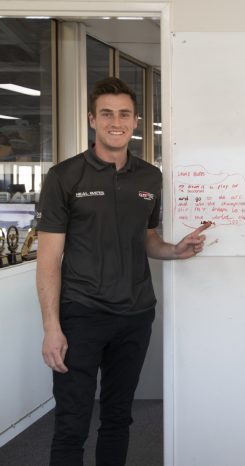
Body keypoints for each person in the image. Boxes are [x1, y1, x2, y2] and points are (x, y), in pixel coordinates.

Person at [37, 77, 211, 466]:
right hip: (81, 314)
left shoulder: (151, 177)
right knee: (72, 422)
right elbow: (48, 259)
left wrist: (174, 250)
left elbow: (147, 238)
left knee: (118, 418)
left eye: (124, 114)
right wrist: (52, 327)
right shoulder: (65, 177)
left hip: (135, 315)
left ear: (135, 122)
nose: (116, 121)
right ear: (92, 120)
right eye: (107, 113)